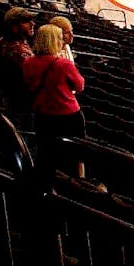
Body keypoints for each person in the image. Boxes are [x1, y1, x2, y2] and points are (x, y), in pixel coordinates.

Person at [22, 23, 85, 164]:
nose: (62, 41)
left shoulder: (27, 62)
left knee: (46, 151)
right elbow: (80, 85)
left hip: (42, 113)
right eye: (60, 38)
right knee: (76, 152)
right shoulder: (63, 64)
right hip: (68, 115)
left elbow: (29, 84)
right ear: (54, 41)